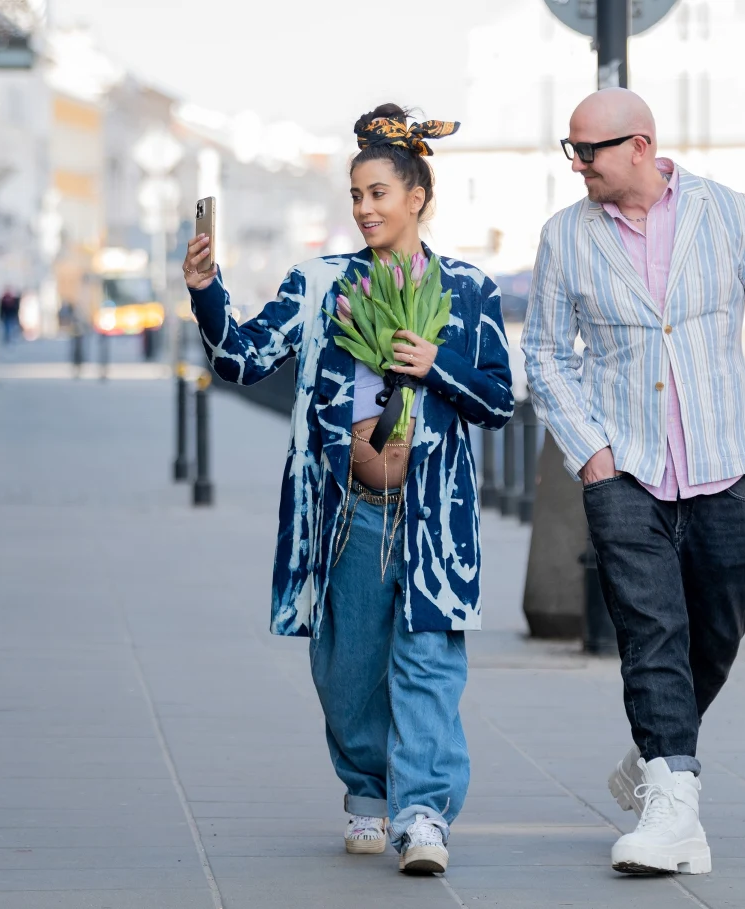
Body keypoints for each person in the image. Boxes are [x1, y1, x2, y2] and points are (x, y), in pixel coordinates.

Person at [522, 89, 745, 876]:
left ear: (640, 146)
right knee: (651, 634)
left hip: (721, 457)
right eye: (570, 151)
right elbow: (545, 353)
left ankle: (655, 757)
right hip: (624, 468)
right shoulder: (564, 236)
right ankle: (676, 807)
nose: (577, 165)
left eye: (590, 151)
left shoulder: (726, 212)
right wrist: (590, 451)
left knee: (722, 622)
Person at [182, 103, 514, 875]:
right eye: (356, 196)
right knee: (347, 666)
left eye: (379, 194)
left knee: (430, 661)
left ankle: (424, 811)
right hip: (346, 515)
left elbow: (498, 401)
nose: (365, 208)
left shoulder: (466, 290)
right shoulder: (319, 283)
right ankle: (367, 787)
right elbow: (242, 359)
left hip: (432, 516)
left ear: (417, 197)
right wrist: (207, 291)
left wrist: (436, 365)